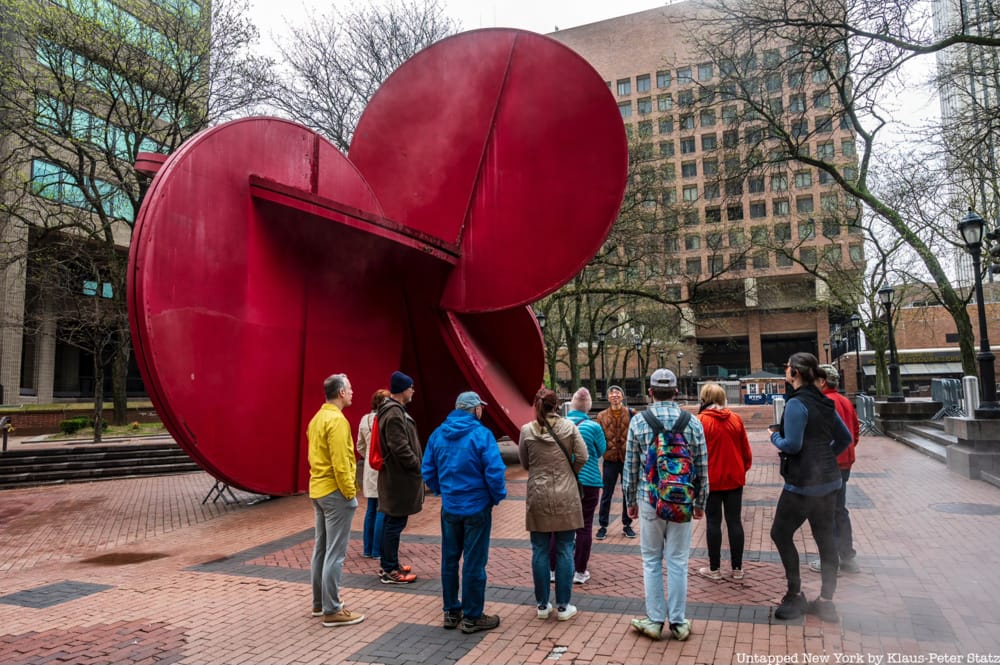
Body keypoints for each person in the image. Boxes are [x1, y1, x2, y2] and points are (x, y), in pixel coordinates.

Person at [624, 368, 707, 642]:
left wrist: (630, 500)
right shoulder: (692, 422)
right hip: (683, 500)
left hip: (650, 499)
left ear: (650, 392)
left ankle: (655, 619)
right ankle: (679, 623)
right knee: (678, 560)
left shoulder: (638, 422)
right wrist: (700, 502)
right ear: (676, 391)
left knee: (651, 559)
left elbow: (631, 466)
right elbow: (701, 466)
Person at [769, 353, 853, 623]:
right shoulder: (825, 402)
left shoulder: (796, 404)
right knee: (825, 538)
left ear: (794, 372)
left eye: (786, 368)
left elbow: (792, 444)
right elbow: (845, 438)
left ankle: (795, 594)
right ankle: (827, 601)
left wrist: (774, 437)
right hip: (829, 482)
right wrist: (826, 455)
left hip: (803, 484)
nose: (785, 372)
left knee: (780, 533)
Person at [422, 391, 507, 634]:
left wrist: (443, 491)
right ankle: (472, 616)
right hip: (477, 506)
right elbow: (494, 471)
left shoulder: (438, 434)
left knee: (450, 559)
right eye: (481, 407)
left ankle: (451, 611)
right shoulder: (481, 435)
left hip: (451, 506)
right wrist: (495, 497)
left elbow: (428, 470)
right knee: (474, 562)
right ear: (476, 409)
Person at [519, 388, 587, 622]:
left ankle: (541, 604)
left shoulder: (527, 430)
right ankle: (563, 606)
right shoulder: (569, 427)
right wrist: (570, 472)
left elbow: (525, 462)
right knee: (565, 548)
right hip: (566, 493)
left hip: (538, 493)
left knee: (539, 549)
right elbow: (583, 456)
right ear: (557, 405)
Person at [307, 373, 365, 627]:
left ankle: (320, 603)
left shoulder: (317, 419)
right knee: (335, 553)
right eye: (350, 388)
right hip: (335, 492)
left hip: (318, 489)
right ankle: (332, 609)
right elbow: (342, 463)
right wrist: (350, 493)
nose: (353, 392)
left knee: (321, 549)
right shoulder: (337, 421)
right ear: (341, 392)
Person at [695, 382, 752, 581]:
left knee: (713, 522)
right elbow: (746, 451)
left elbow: (695, 453)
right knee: (734, 521)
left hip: (711, 479)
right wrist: (741, 469)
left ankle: (714, 568)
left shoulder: (700, 421)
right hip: (734, 478)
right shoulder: (735, 419)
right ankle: (737, 568)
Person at [808, 364, 862, 575]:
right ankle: (847, 556)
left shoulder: (825, 402)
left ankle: (830, 561)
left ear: (822, 382)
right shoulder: (846, 401)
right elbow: (855, 432)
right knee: (840, 510)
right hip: (845, 462)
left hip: (830, 464)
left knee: (825, 512)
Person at [377, 371, 422, 584]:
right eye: (411, 386)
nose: (413, 390)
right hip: (399, 480)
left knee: (392, 522)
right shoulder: (394, 413)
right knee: (394, 524)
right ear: (403, 389)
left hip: (396, 478)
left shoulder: (392, 410)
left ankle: (391, 563)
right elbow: (399, 447)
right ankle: (389, 569)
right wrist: (415, 465)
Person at [563, 387, 606, 584]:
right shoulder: (593, 427)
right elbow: (601, 451)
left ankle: (555, 569)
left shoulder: (560, 424)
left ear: (572, 403)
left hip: (564, 481)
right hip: (588, 480)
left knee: (560, 526)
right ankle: (580, 571)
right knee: (585, 525)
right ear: (588, 406)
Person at [594, 386, 636, 540]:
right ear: (608, 397)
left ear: (623, 396)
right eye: (611, 393)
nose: (614, 395)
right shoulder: (601, 416)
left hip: (627, 459)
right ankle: (603, 525)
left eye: (618, 393)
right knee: (606, 493)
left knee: (628, 492)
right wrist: (604, 450)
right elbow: (598, 437)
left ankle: (627, 524)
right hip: (610, 460)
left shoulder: (631, 414)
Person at [356, 389, 390, 559]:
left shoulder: (364, 419)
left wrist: (369, 455)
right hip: (382, 466)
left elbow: (360, 445)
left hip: (370, 466)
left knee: (370, 508)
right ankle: (377, 549)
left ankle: (367, 549)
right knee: (382, 508)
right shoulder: (386, 419)